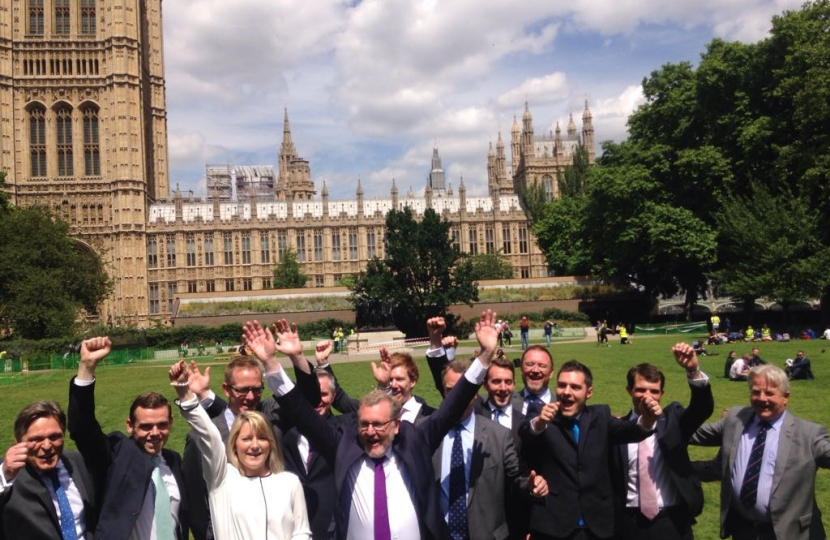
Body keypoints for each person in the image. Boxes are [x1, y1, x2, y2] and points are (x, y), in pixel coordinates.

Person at [242, 311, 500, 540]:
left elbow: (452, 405)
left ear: (396, 425)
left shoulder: (415, 440)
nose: (371, 432)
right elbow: (302, 414)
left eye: (379, 425)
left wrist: (485, 355)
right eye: (364, 424)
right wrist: (271, 364)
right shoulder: (344, 446)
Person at [169, 360, 311, 540]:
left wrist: (276, 359)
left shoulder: (289, 482)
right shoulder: (222, 478)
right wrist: (184, 392)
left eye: (262, 437)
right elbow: (208, 436)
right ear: (234, 442)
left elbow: (301, 531)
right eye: (246, 439)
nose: (255, 446)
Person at [520, 360, 662, 540]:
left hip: (597, 526)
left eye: (575, 387)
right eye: (562, 385)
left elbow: (630, 431)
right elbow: (526, 430)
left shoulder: (601, 416)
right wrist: (540, 423)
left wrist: (647, 420)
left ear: (589, 392)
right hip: (553, 525)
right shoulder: (543, 414)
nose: (566, 392)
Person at [68, 336, 190, 540]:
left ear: (171, 423)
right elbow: (82, 429)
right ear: (129, 426)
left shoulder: (173, 460)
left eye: (162, 425)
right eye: (145, 426)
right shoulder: (116, 455)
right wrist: (86, 368)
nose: (155, 433)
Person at [690, 364, 830, 540]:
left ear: (785, 396)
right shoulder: (736, 418)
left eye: (769, 393)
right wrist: (659, 422)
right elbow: (694, 433)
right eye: (756, 392)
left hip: (790, 533)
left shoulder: (809, 434)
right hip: (743, 530)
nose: (762, 398)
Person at [433, 357, 548, 540]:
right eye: (450, 390)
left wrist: (529, 485)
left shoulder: (499, 435)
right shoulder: (427, 432)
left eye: (463, 390)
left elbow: (515, 478)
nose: (456, 397)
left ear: (475, 392)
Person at [610, 343, 713, 540]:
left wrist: (693, 370)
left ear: (662, 393)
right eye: (640, 390)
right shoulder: (618, 428)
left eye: (654, 391)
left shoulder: (674, 421)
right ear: (629, 390)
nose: (647, 396)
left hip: (671, 521)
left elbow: (701, 409)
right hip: (629, 523)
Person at [0, 401, 100, 540]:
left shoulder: (78, 461)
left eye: (54, 437)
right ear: (18, 441)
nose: (47, 446)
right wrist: (4, 476)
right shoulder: (7, 474)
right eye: (37, 439)